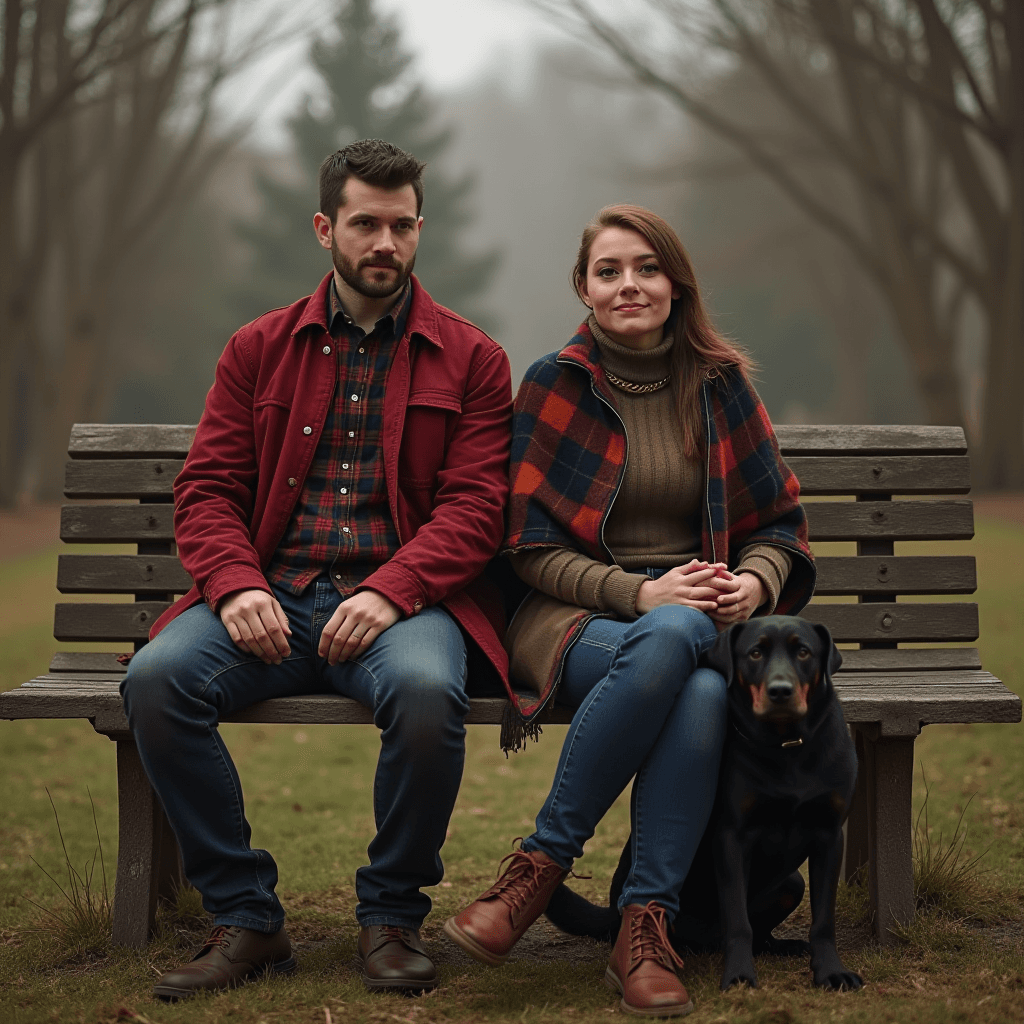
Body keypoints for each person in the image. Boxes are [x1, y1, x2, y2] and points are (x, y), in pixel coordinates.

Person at [120, 139, 513, 1000]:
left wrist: (393, 589)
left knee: (422, 694)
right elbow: (209, 489)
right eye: (365, 223)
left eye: (401, 226)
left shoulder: (471, 358)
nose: (385, 242)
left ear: (419, 231)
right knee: (157, 680)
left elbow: (477, 509)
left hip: (401, 607)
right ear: (324, 227)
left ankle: (391, 917)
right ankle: (247, 917)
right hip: (272, 595)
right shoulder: (258, 348)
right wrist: (236, 585)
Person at [445, 205, 814, 1018]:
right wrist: (642, 594)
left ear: (675, 283)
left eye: (646, 268)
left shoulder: (721, 385)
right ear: (584, 287)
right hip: (571, 615)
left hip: (702, 620)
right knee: (677, 633)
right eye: (609, 271)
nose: (629, 285)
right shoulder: (554, 382)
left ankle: (608, 909)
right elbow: (529, 548)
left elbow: (778, 526)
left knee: (706, 685)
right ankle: (599, 894)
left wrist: (753, 584)